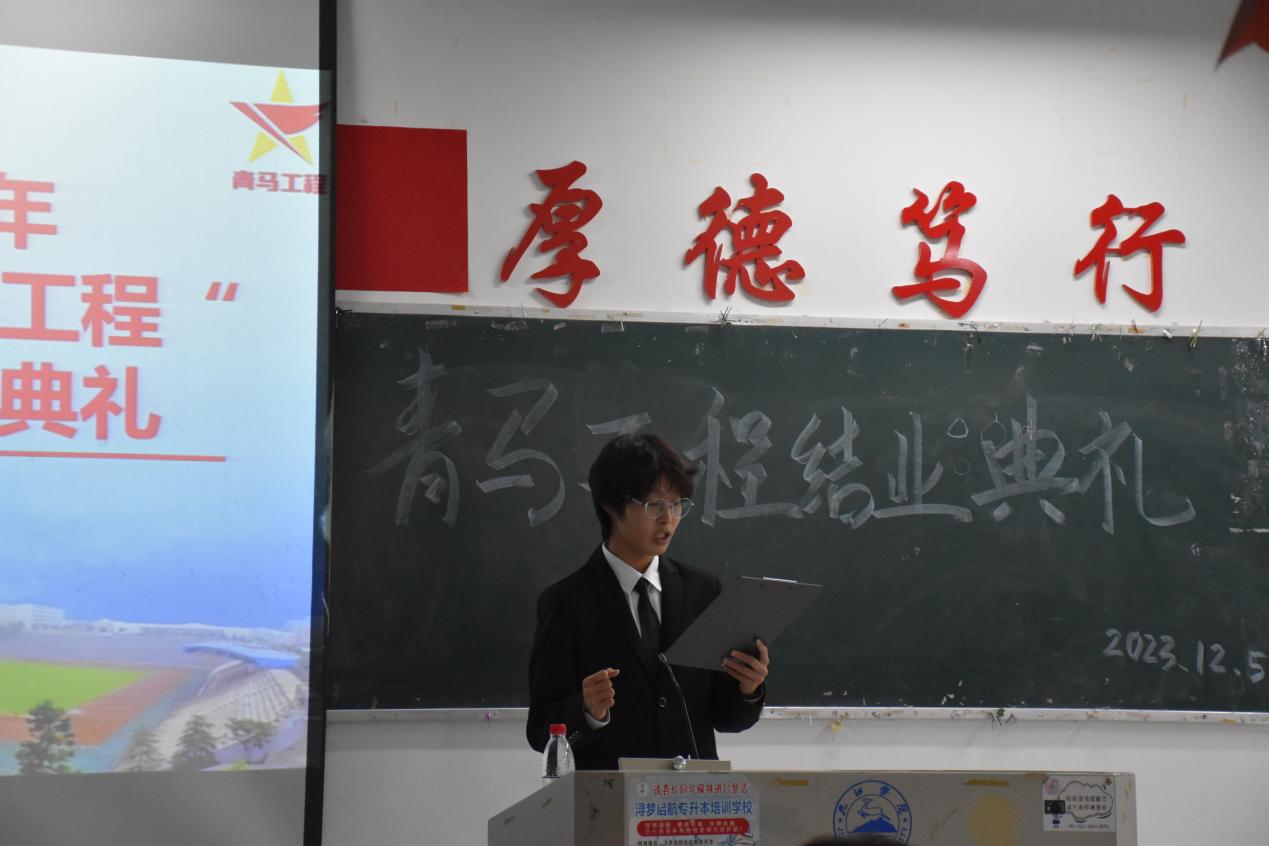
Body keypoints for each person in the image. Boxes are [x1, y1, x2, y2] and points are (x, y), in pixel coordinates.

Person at [526, 433, 770, 770]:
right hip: (610, 793)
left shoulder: (702, 591)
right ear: (611, 504)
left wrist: (748, 689)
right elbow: (541, 730)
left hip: (691, 793)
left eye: (677, 504)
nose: (668, 519)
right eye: (654, 505)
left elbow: (726, 718)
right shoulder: (566, 603)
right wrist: (587, 711)